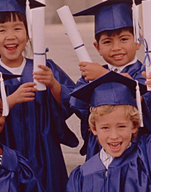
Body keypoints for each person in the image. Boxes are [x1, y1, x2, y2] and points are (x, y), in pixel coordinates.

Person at [0, 0, 79, 191]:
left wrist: (53, 84)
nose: (10, 36)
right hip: (7, 158)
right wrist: (9, 102)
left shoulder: (45, 68)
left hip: (47, 157)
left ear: (28, 34)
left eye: (17, 28)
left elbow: (74, 103)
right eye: (2, 30)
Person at [70, 0, 151, 160]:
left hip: (137, 151)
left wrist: (103, 76)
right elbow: (76, 104)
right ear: (97, 47)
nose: (116, 47)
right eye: (107, 42)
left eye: (124, 39)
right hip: (100, 149)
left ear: (138, 41)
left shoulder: (146, 74)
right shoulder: (90, 74)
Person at [66, 71, 151, 192]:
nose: (114, 136)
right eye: (105, 127)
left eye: (121, 126)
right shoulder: (82, 175)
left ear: (135, 126)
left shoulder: (147, 156)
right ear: (94, 129)